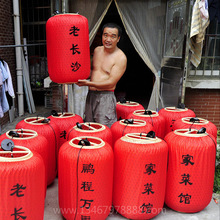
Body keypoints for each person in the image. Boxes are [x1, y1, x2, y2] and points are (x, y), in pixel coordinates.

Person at [76, 23, 127, 127]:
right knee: (88, 127)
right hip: (91, 96)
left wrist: (88, 83)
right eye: (105, 35)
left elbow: (110, 83)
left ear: (118, 39)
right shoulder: (97, 50)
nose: (108, 39)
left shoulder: (120, 57)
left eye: (113, 36)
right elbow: (92, 71)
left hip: (106, 98)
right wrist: (75, 74)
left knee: (104, 129)